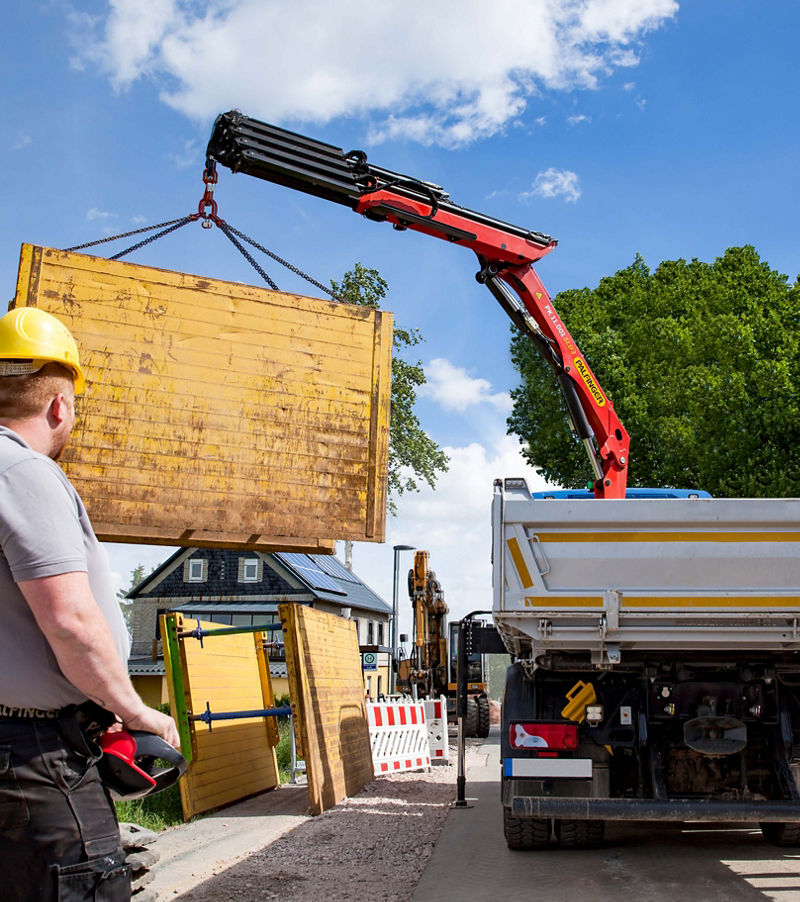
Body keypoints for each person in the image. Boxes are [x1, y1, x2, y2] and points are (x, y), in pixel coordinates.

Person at [0, 306, 179, 901]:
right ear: (59, 406)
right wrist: (136, 710)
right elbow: (72, 622)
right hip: (33, 756)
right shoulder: (23, 470)